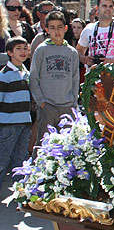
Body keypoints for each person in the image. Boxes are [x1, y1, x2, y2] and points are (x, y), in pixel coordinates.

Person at [29, 11, 79, 147]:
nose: (56, 31)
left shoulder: (72, 52)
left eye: (60, 27)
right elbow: (33, 77)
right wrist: (41, 102)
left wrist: (73, 101)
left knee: (66, 146)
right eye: (52, 27)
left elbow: (75, 79)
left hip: (67, 105)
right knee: (44, 145)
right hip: (48, 105)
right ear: (47, 29)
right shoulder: (42, 50)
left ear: (66, 28)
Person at [0, 37, 32, 190]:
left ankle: (20, 191)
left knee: (21, 159)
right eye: (18, 48)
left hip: (25, 122)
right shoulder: (4, 74)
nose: (23, 52)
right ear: (9, 52)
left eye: (25, 48)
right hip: (8, 124)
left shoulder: (26, 73)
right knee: (3, 159)